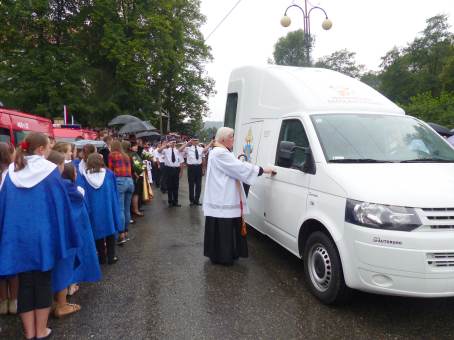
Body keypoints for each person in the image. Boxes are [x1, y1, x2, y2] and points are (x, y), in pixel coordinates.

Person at [0, 132, 81, 339]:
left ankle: (29, 333)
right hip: (43, 236)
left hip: (18, 236)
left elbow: (4, 205)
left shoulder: (10, 172)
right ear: (42, 150)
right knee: (43, 281)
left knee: (25, 283)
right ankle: (41, 330)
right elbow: (59, 204)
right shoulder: (50, 170)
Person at [203, 127, 275, 265]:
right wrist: (263, 170)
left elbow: (236, 165)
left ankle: (220, 255)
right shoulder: (220, 153)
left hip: (221, 195)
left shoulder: (220, 151)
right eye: (231, 137)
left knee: (222, 228)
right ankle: (224, 256)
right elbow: (239, 168)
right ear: (223, 139)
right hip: (223, 197)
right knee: (224, 228)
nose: (233, 139)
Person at [47, 151, 82, 318]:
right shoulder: (61, 183)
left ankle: (54, 302)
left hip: (47, 230)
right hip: (62, 230)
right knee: (63, 265)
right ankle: (61, 305)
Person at [82, 153, 122, 265]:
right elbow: (114, 191)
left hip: (94, 210)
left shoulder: (84, 177)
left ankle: (102, 257)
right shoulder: (109, 174)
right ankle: (111, 256)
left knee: (97, 233)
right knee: (110, 231)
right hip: (108, 208)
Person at [0, 142, 18, 315]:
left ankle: (2, 301)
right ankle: (14, 301)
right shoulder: (13, 175)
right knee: (12, 263)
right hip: (9, 224)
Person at [108, 140, 134, 245]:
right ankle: (126, 232)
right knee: (127, 209)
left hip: (120, 181)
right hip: (130, 181)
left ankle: (121, 234)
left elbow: (110, 170)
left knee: (120, 209)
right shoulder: (126, 155)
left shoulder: (112, 155)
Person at [158, 137, 183, 207]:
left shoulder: (177, 150)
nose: (173, 143)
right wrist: (166, 145)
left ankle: (176, 201)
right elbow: (159, 151)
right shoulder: (166, 150)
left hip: (176, 169)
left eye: (174, 142)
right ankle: (170, 201)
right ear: (169, 142)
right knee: (169, 186)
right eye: (172, 142)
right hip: (168, 169)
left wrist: (181, 171)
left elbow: (181, 162)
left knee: (176, 186)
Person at [179, 137, 204, 206]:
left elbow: (204, 154)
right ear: (192, 141)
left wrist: (203, 169)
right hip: (191, 168)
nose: (196, 142)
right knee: (191, 184)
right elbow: (180, 150)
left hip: (198, 167)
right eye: (194, 140)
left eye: (197, 140)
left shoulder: (201, 149)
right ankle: (192, 200)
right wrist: (187, 143)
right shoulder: (188, 149)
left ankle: (197, 200)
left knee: (198, 185)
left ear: (198, 141)